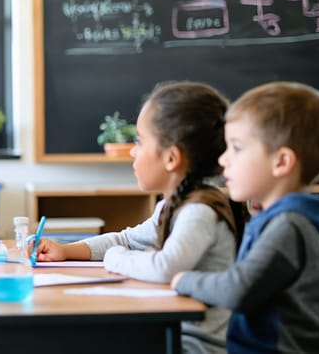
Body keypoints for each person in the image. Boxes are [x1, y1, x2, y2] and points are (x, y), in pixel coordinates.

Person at [34, 81, 248, 354]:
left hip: (198, 346)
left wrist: (116, 259)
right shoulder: (174, 205)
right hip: (172, 331)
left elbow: (165, 267)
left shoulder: (199, 211)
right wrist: (65, 250)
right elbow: (126, 239)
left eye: (139, 141)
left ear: (171, 158)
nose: (133, 151)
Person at [172, 81, 319, 354]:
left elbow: (238, 289)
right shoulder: (278, 218)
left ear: (281, 162)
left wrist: (184, 280)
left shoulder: (288, 225)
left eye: (237, 148)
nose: (224, 159)